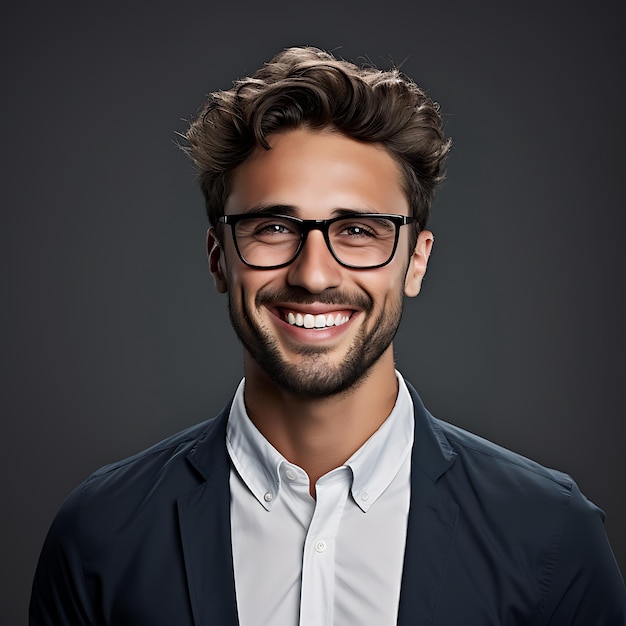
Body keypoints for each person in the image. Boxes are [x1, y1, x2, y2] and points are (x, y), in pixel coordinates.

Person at [30, 46, 625, 625]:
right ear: (218, 259)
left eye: (359, 230)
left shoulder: (551, 533)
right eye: (272, 227)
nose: (313, 274)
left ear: (415, 262)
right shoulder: (100, 533)